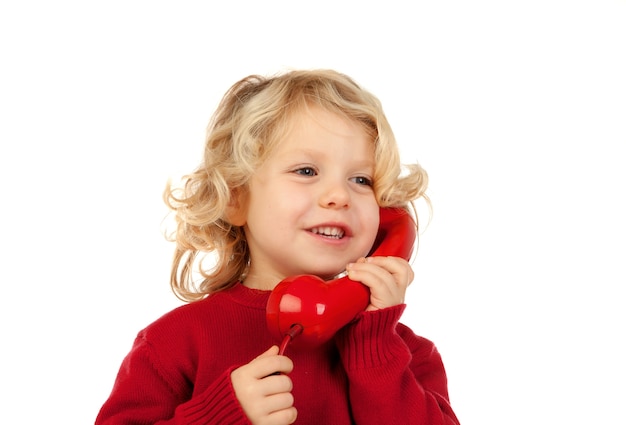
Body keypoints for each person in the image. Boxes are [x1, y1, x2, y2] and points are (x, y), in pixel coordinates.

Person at [95, 69, 460, 425]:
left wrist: (376, 349)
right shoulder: (174, 343)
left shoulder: (409, 356)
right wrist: (222, 414)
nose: (339, 196)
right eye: (306, 171)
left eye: (361, 179)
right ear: (235, 197)